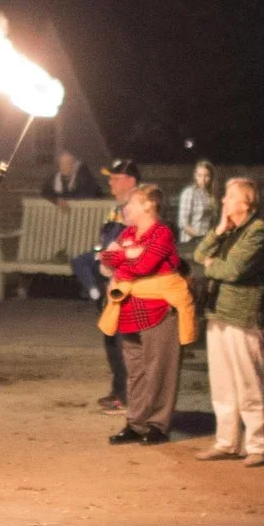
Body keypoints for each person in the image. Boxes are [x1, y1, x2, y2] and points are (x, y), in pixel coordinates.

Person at [98, 183, 191, 445]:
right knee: (136, 370)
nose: (125, 208)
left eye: (131, 203)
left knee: (160, 369)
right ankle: (136, 423)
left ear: (148, 205)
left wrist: (122, 258)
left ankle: (157, 425)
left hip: (159, 310)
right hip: (132, 311)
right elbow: (105, 260)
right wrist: (129, 254)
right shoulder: (129, 233)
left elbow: (143, 265)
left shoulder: (162, 233)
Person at [195, 177, 264, 465]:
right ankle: (226, 442)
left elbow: (234, 270)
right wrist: (218, 231)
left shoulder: (258, 230)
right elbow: (199, 254)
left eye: (230, 197)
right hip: (218, 313)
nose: (224, 201)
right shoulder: (229, 231)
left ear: (246, 202)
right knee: (222, 384)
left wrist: (211, 266)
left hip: (243, 314)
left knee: (248, 382)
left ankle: (257, 445)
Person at [84, 159, 143, 410]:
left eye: (116, 177)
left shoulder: (139, 207)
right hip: (112, 279)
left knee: (125, 341)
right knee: (110, 337)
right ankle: (119, 390)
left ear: (130, 180)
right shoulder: (117, 209)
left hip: (128, 282)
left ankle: (130, 396)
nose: (110, 181)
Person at [176, 160, 219, 252]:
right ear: (195, 176)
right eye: (200, 175)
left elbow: (213, 221)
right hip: (191, 242)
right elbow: (183, 223)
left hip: (207, 242)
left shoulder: (211, 195)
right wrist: (199, 236)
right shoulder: (189, 193)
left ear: (211, 177)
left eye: (206, 175)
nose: (203, 179)